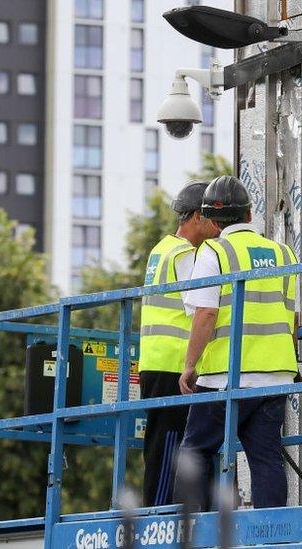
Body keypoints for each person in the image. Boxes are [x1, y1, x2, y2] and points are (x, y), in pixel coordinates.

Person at [178, 175, 300, 510]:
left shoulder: (214, 251)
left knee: (195, 452)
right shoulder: (283, 252)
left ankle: (198, 531)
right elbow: (293, 319)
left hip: (225, 377)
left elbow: (205, 314)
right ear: (249, 214)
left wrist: (190, 366)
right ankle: (271, 534)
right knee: (265, 458)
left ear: (212, 222)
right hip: (274, 375)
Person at [137, 181, 218, 507]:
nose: (217, 229)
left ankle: (160, 514)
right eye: (213, 220)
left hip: (155, 363)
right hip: (174, 365)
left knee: (162, 442)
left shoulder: (161, 249)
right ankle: (158, 519)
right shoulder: (186, 255)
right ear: (197, 216)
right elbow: (198, 307)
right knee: (170, 444)